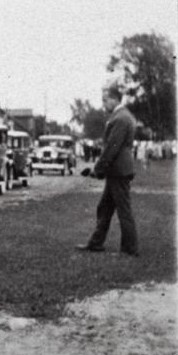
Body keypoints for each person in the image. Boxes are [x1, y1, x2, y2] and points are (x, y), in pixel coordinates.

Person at [77, 86, 139, 256]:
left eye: (105, 100)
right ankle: (96, 243)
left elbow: (112, 148)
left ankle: (129, 249)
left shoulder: (119, 118)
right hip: (118, 170)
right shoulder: (123, 116)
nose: (103, 104)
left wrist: (97, 170)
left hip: (119, 171)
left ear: (114, 99)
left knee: (123, 210)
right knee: (104, 208)